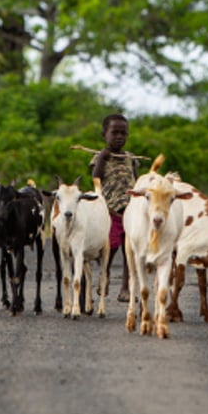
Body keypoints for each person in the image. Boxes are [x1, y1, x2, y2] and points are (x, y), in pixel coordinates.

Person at [90, 113, 139, 302]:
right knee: (108, 250)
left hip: (130, 212)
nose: (119, 136)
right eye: (115, 132)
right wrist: (102, 158)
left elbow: (136, 179)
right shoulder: (99, 157)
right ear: (104, 134)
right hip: (109, 213)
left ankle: (126, 288)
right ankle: (105, 277)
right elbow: (96, 177)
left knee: (130, 253)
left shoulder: (130, 158)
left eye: (123, 133)